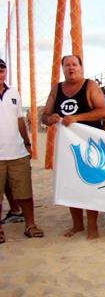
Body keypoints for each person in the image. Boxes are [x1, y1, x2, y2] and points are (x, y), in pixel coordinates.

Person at [42, 55, 105, 239]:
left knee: (91, 183)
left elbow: (103, 111)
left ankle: (92, 225)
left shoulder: (90, 86)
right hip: (67, 146)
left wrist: (77, 118)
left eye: (74, 64)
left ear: (81, 67)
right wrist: (51, 118)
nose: (71, 68)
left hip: (90, 144)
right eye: (67, 65)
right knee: (71, 184)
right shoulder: (57, 89)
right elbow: (45, 116)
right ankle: (77, 224)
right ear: (62, 68)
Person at [0, 58, 43, 243]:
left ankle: (30, 224)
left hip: (17, 151)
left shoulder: (14, 92)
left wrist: (27, 142)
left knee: (25, 191)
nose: (0, 74)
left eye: (2, 71)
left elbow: (20, 120)